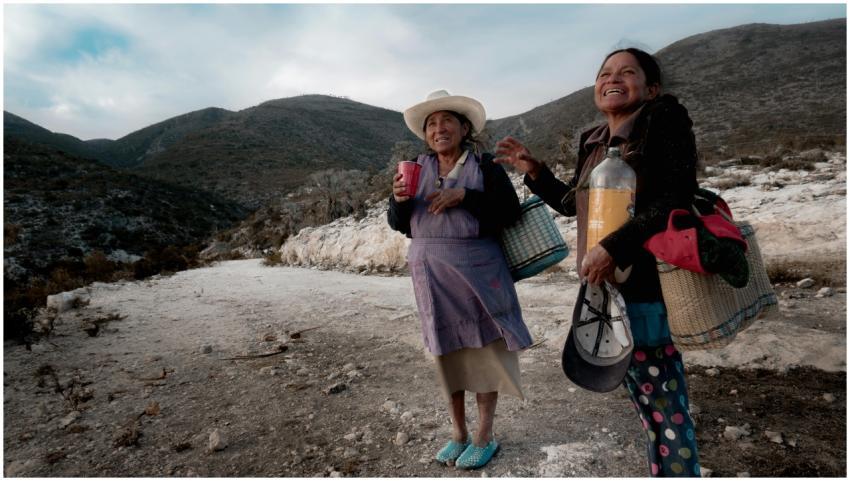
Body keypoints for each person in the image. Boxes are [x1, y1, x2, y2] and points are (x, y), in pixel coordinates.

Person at [496, 48, 701, 477]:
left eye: (628, 72)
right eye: (605, 72)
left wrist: (616, 247)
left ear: (652, 88)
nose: (613, 78)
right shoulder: (593, 140)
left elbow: (675, 196)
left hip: (645, 281)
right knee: (644, 394)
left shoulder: (663, 119)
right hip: (602, 282)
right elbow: (576, 205)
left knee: (663, 400)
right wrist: (534, 171)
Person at [387, 90, 533, 470]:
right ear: (425, 134)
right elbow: (402, 226)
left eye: (447, 121)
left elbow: (508, 212)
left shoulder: (484, 166)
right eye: (431, 124)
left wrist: (463, 196)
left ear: (464, 127)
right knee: (446, 352)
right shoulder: (415, 168)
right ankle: (458, 433)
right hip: (430, 273)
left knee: (482, 350)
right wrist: (398, 201)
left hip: (477, 272)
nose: (439, 129)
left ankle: (484, 435)